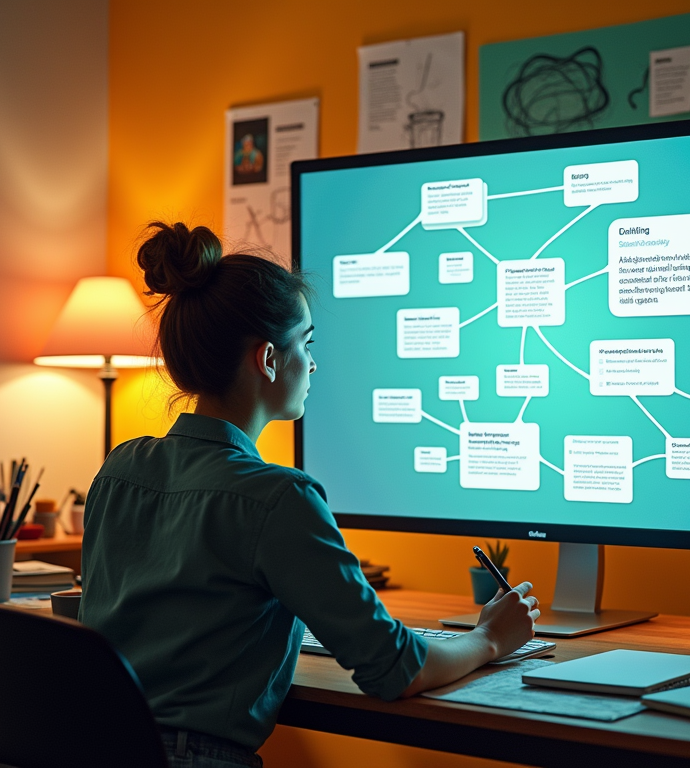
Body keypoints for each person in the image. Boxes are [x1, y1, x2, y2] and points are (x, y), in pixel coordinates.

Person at [79, 222, 540, 768]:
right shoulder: (279, 499)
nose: (315, 363)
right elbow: (395, 669)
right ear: (269, 359)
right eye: (307, 342)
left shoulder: (119, 468)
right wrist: (489, 638)